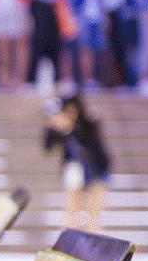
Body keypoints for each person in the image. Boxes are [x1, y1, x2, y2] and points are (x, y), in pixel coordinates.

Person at [42, 94, 111, 233]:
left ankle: (93, 240)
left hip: (97, 169)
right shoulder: (61, 130)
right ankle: (69, 242)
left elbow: (93, 145)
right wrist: (51, 126)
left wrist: (70, 127)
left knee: (93, 212)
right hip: (77, 171)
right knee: (71, 210)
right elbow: (47, 147)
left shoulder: (88, 124)